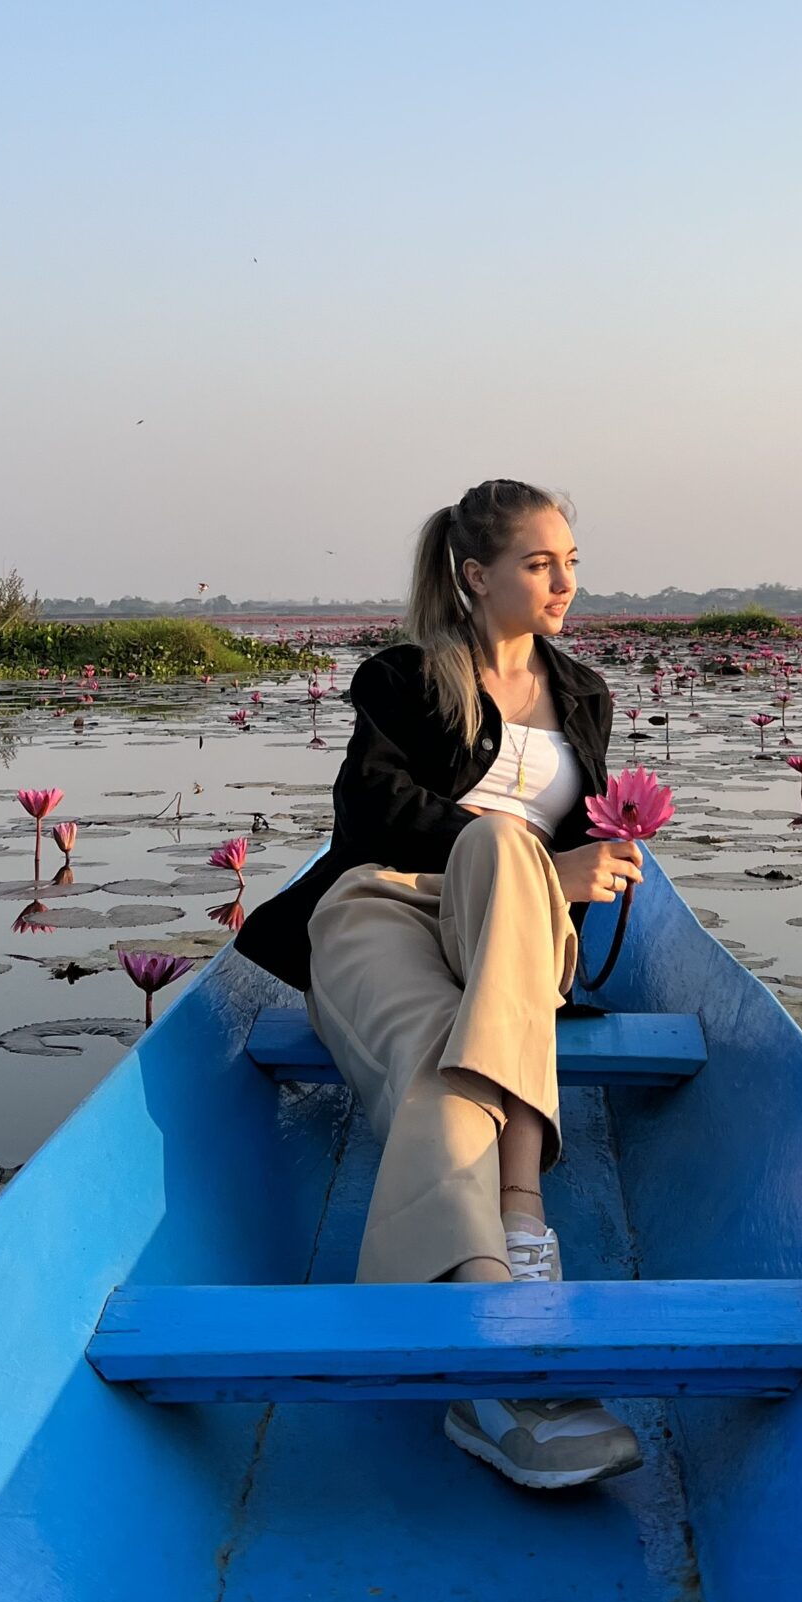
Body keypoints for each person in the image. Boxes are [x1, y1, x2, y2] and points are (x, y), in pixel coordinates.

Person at [235, 479, 647, 1491]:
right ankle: (497, 1333)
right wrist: (535, 862)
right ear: (476, 574)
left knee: (509, 865)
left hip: (515, 925)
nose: (564, 581)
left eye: (570, 562)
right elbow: (369, 810)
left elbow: (578, 846)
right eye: (540, 562)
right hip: (387, 905)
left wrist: (578, 871)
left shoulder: (584, 694)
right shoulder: (406, 675)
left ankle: (498, 1256)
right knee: (441, 1033)